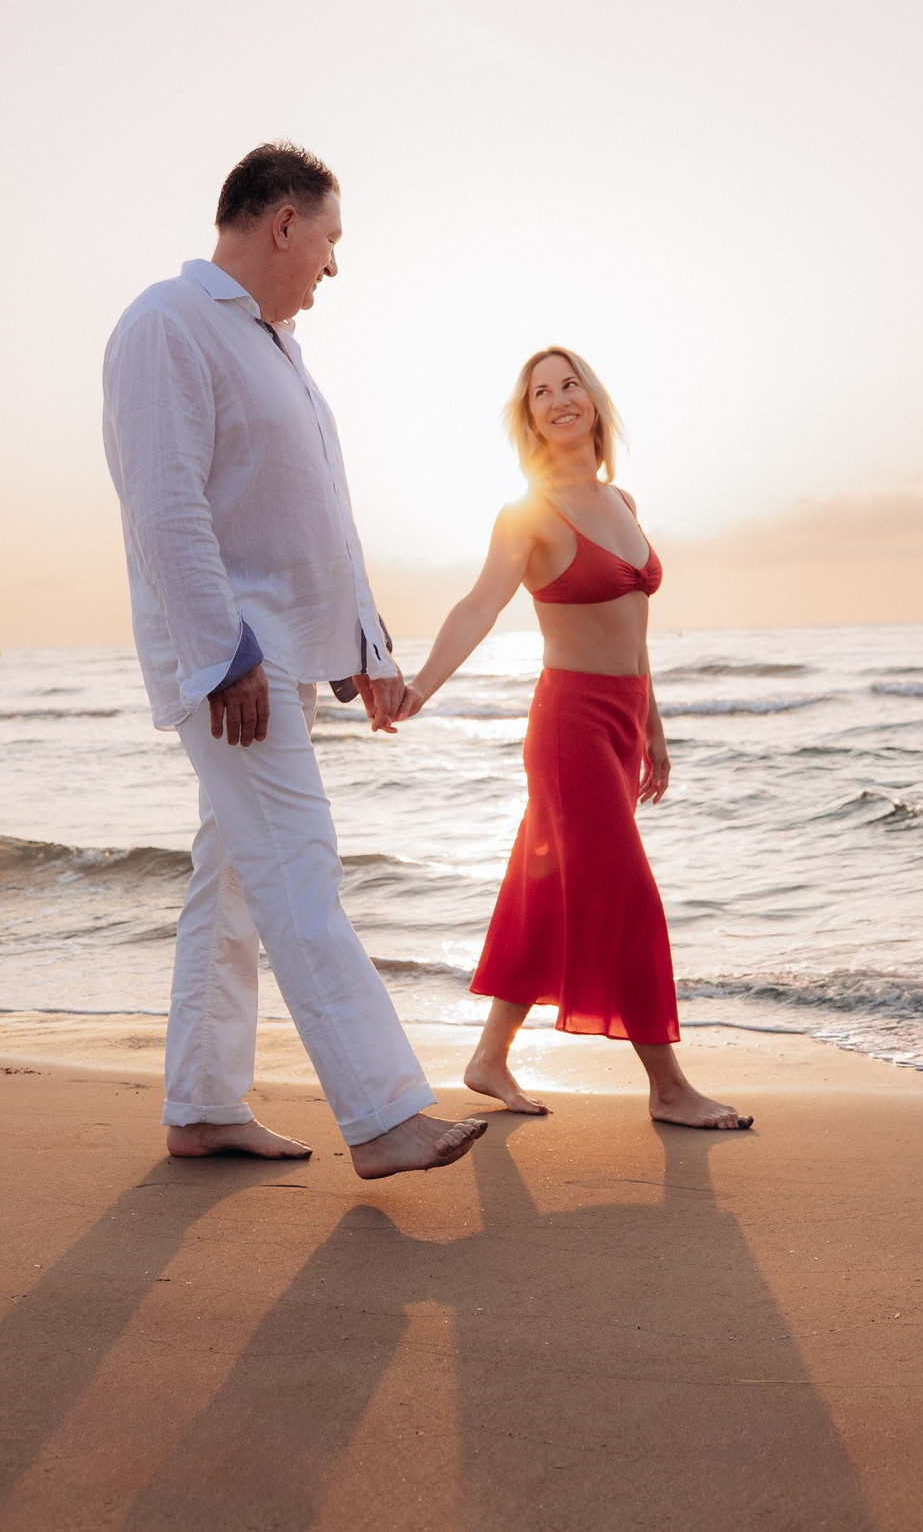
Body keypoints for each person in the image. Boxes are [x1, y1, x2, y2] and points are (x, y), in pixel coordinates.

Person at [100, 143, 485, 1178]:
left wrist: (364, 646)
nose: (333, 266)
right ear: (282, 224)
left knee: (228, 886)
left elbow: (317, 516)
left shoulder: (276, 349)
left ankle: (202, 1104)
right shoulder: (164, 327)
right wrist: (221, 655)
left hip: (284, 659)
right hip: (235, 665)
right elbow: (166, 504)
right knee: (300, 871)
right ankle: (384, 1111)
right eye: (330, 240)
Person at [401, 348, 752, 1130]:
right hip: (569, 726)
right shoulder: (530, 513)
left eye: (570, 384)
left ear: (594, 399)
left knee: (543, 894)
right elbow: (479, 604)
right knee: (627, 893)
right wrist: (421, 684)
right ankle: (667, 1086)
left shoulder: (621, 499)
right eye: (541, 393)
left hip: (624, 721)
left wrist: (654, 726)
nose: (559, 399)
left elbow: (636, 626)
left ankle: (489, 1057)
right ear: (527, 419)